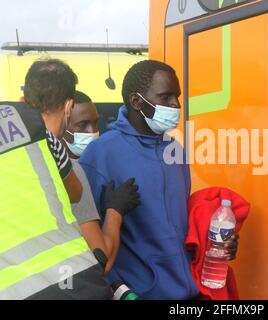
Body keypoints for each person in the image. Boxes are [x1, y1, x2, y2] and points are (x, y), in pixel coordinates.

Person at [80, 60, 238, 300]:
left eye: (177, 96)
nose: (175, 104)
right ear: (136, 102)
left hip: (190, 292)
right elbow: (85, 237)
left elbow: (180, 224)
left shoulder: (175, 150)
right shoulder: (100, 154)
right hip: (139, 294)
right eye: (166, 97)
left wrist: (215, 244)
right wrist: (120, 290)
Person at [0, 58, 110, 299]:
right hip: (76, 281)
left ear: (23, 101)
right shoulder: (49, 143)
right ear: (69, 106)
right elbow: (76, 193)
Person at [61, 91, 140, 273]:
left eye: (96, 123)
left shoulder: (103, 163)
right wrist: (115, 211)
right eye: (83, 125)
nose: (92, 132)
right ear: (61, 126)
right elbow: (101, 261)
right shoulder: (69, 174)